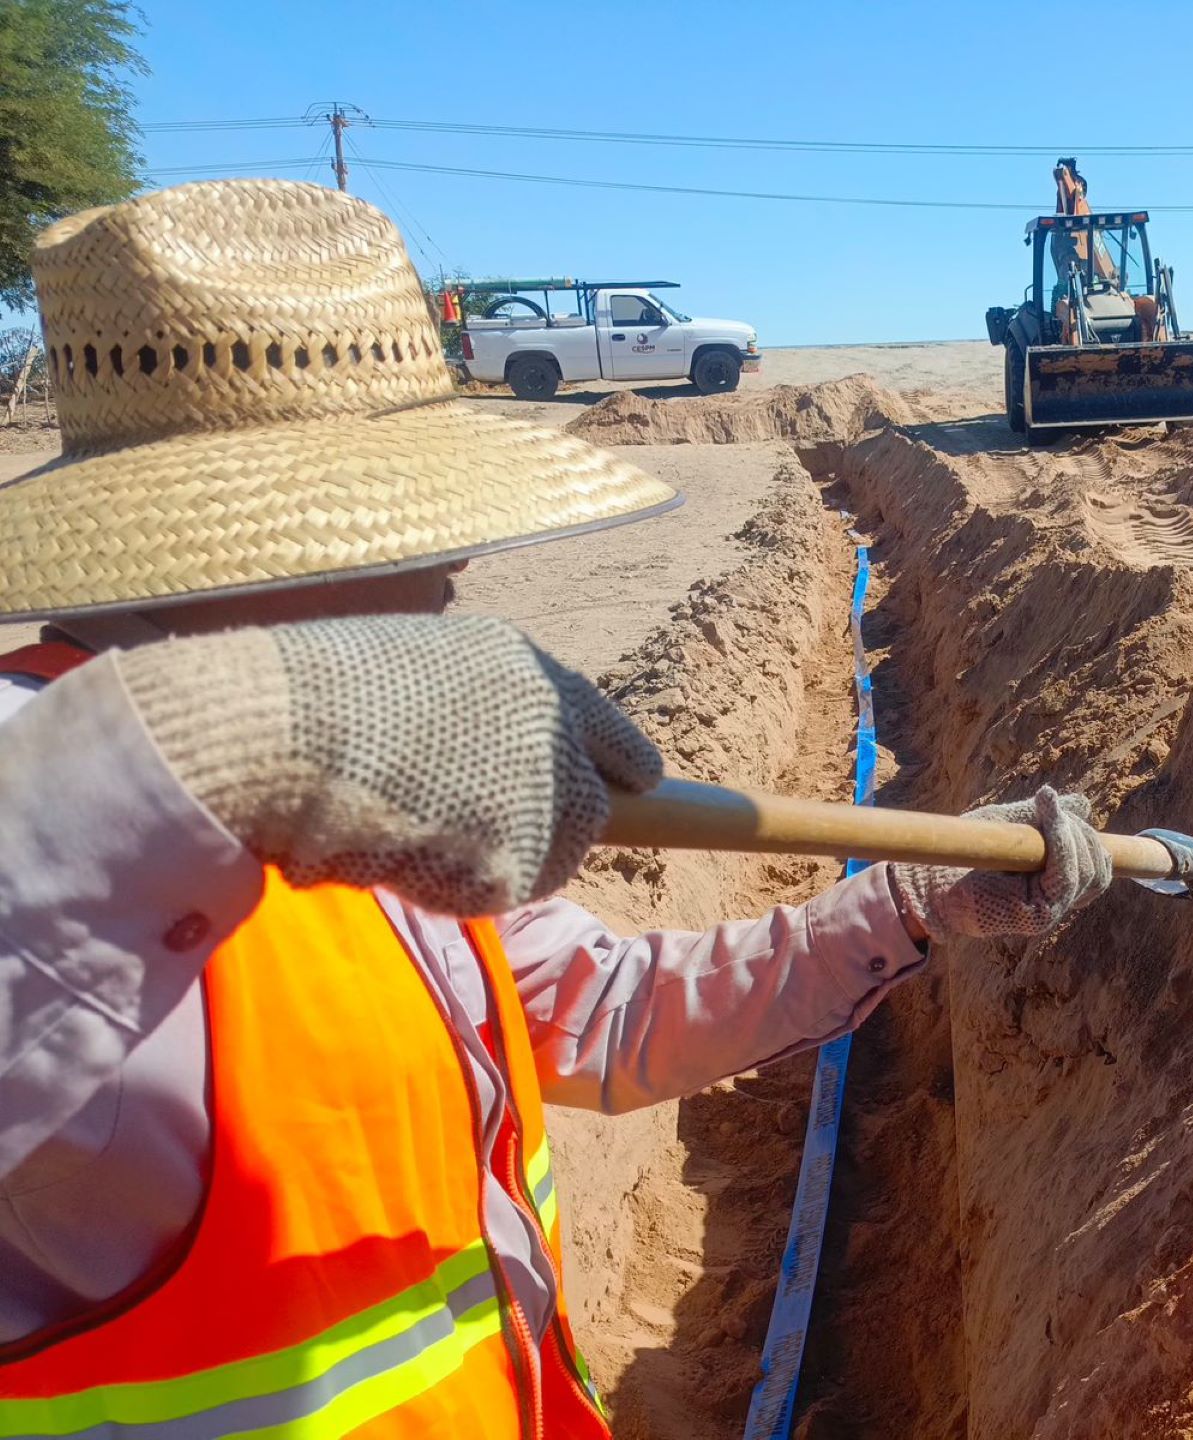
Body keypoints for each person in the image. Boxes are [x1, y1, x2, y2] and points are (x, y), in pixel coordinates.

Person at [0, 181, 1112, 1435]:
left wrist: (909, 907)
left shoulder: (360, 800)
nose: (458, 565)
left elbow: (601, 1013)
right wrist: (238, 731)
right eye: (419, 520)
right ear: (277, 533)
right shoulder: (66, 794)